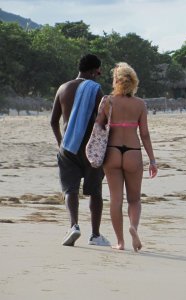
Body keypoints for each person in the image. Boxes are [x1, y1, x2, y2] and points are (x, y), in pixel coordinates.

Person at [95, 62, 158, 251]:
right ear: (133, 82)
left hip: (112, 152)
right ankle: (133, 227)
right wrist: (152, 160)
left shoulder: (108, 101)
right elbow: (145, 134)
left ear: (116, 81)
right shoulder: (140, 104)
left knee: (116, 199)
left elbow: (98, 125)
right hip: (133, 152)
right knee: (134, 199)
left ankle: (120, 242)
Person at [50, 54, 110, 247]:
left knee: (70, 189)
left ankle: (74, 226)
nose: (99, 75)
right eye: (99, 71)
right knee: (95, 192)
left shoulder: (63, 88)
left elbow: (53, 122)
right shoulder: (95, 89)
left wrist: (61, 144)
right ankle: (95, 235)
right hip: (90, 149)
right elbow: (105, 119)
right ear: (93, 71)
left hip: (68, 147)